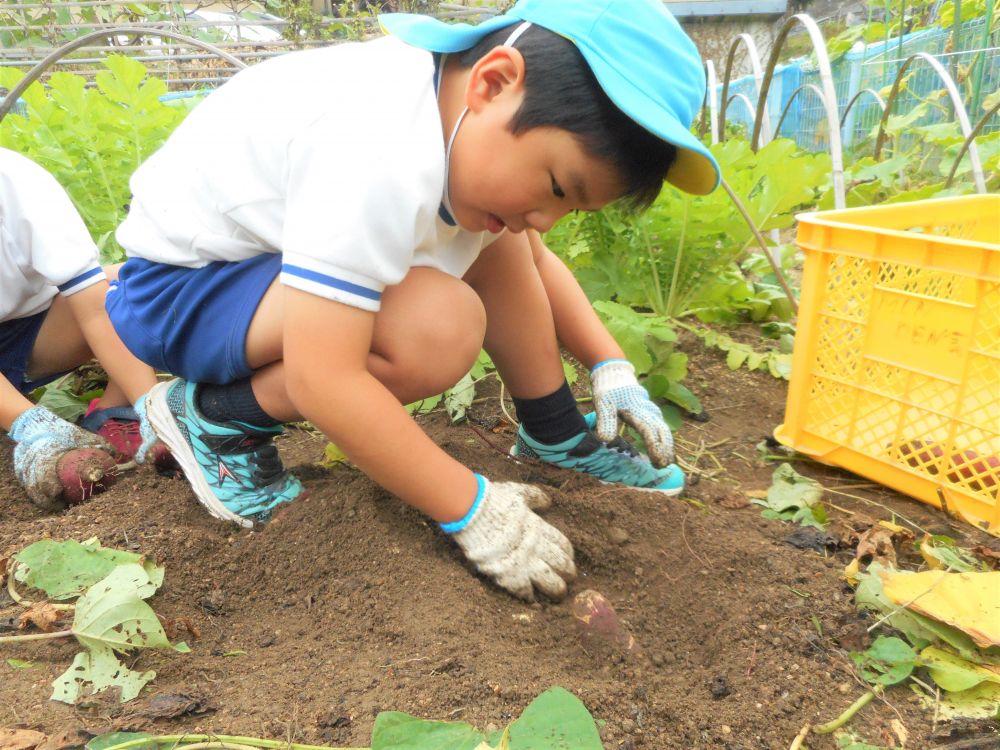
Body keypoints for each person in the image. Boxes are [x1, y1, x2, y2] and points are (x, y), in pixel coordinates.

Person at [107, 0, 721, 601]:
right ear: (495, 81)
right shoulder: (373, 141)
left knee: (504, 241)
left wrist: (611, 367)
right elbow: (327, 379)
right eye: (558, 187)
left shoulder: (455, 117)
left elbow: (534, 257)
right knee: (434, 327)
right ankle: (217, 417)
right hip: (180, 292)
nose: (549, 219)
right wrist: (471, 508)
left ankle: (554, 433)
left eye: (570, 207)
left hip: (252, 281)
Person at [0, 147, 171, 510]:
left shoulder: (18, 182)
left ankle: (113, 414)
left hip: (30, 335)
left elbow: (94, 306)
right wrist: (31, 425)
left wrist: (151, 407)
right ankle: (29, 425)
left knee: (132, 285)